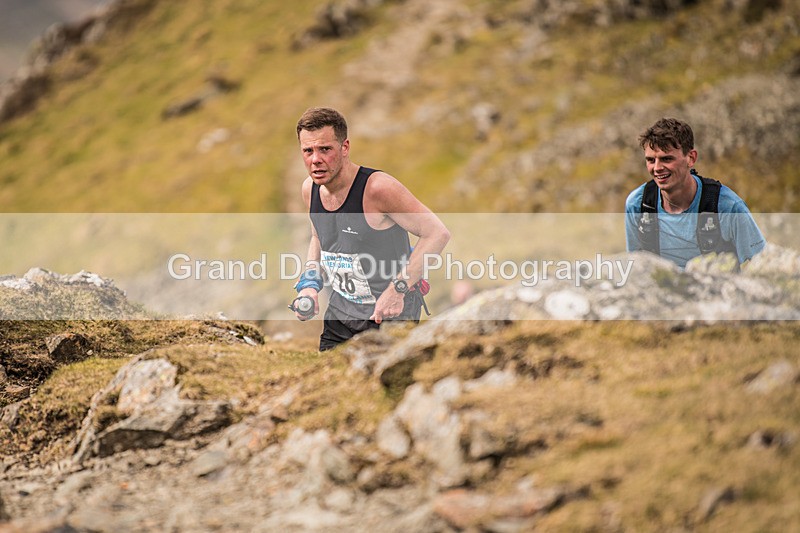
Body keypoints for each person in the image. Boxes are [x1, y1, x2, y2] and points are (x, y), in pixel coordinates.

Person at [292, 107, 450, 351]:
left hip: (388, 314)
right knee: (330, 385)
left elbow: (437, 233)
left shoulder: (377, 189)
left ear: (344, 148)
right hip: (340, 315)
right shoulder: (309, 189)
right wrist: (310, 285)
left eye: (325, 149)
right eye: (308, 151)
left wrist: (397, 290)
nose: (315, 160)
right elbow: (318, 237)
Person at [625, 117, 765, 268]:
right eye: (651, 160)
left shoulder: (728, 207)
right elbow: (635, 268)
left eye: (666, 159)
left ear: (691, 158)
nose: (657, 168)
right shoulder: (638, 204)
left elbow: (761, 267)